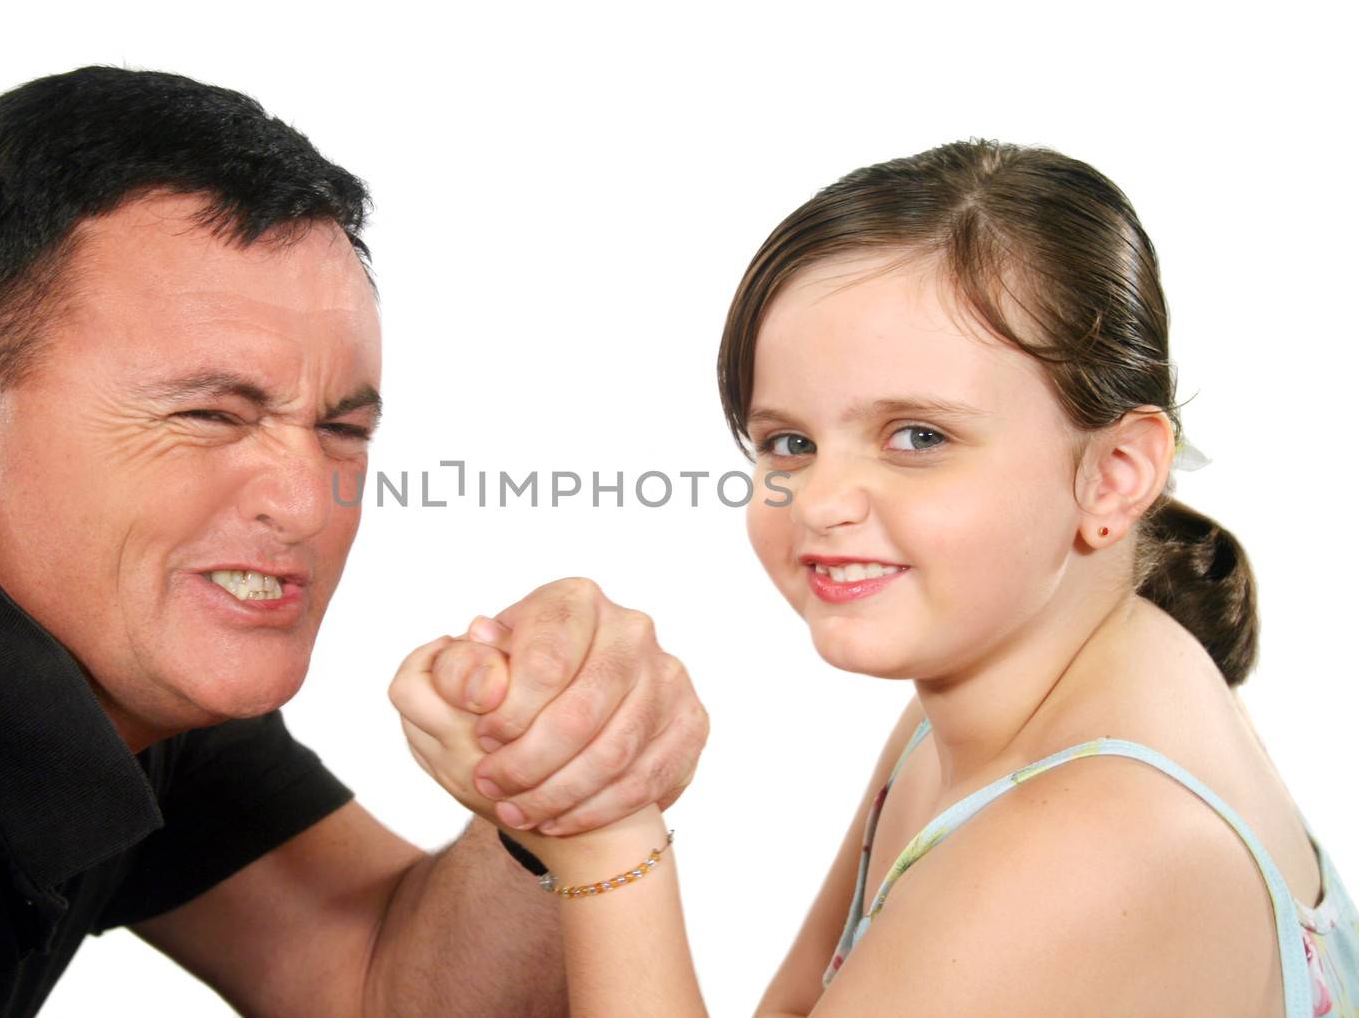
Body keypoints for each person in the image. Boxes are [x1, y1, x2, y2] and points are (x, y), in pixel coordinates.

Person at [0, 66, 710, 1018]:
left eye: (342, 429)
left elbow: (376, 987)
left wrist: (555, 780)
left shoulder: (85, 622)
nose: (304, 503)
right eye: (210, 413)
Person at [394, 140, 1359, 1016]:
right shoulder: (1008, 702)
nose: (821, 498)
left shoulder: (1090, 837)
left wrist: (606, 842)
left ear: (1114, 473)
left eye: (918, 436)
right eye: (789, 441)